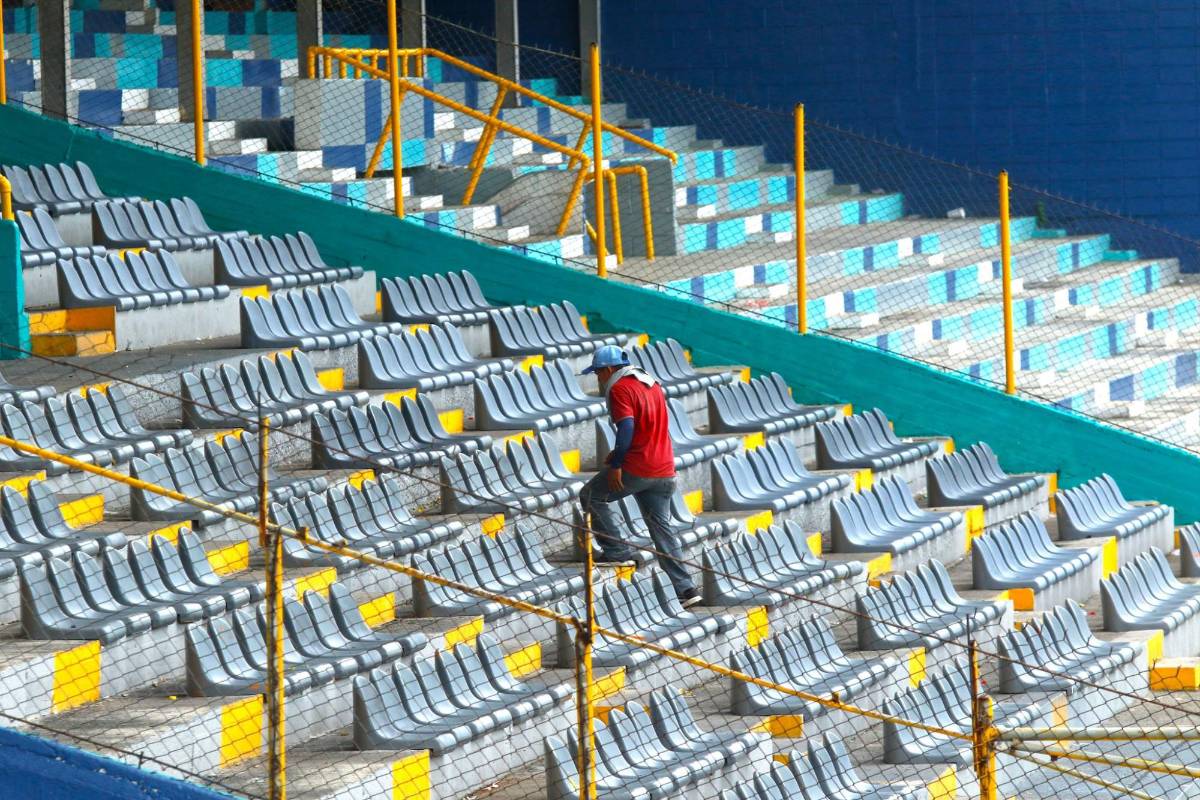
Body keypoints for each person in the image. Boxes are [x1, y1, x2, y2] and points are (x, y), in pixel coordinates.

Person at [578, 344, 702, 608]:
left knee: (591, 495)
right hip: (664, 466)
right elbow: (646, 426)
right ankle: (686, 588)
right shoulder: (651, 383)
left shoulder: (621, 388)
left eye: (599, 373)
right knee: (661, 528)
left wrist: (617, 464)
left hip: (639, 466)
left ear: (609, 369)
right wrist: (617, 452)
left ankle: (616, 550)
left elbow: (627, 427)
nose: (599, 378)